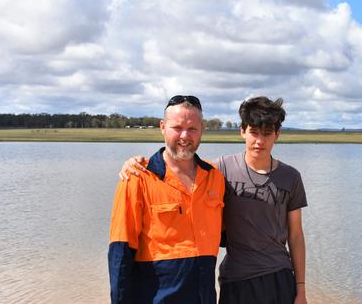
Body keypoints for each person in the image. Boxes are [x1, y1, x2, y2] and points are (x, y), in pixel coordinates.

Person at [119, 96, 308, 304]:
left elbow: (296, 235)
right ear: (242, 131)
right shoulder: (219, 171)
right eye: (254, 132)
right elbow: (183, 165)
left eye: (267, 133)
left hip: (278, 275)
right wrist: (136, 163)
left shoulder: (291, 177)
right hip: (236, 278)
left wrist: (301, 289)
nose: (260, 141)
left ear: (277, 135)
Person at [108, 95, 225, 304]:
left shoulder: (215, 177)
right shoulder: (137, 178)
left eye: (192, 129)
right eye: (177, 127)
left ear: (202, 130)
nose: (184, 136)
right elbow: (120, 254)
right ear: (162, 127)